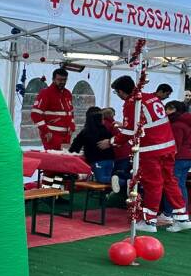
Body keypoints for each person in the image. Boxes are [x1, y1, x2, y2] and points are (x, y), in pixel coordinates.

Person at [108, 76, 191, 233]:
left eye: (116, 92)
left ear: (120, 91)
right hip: (168, 147)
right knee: (170, 182)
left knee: (153, 184)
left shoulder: (133, 103)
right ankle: (182, 217)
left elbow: (127, 132)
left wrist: (112, 141)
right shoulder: (151, 97)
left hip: (151, 150)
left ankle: (149, 222)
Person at [31, 68, 74, 150]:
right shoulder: (46, 93)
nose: (62, 82)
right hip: (51, 136)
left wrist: (72, 126)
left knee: (64, 160)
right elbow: (35, 114)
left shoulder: (67, 93)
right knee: (54, 160)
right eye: (59, 79)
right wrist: (45, 131)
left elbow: (71, 112)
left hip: (66, 136)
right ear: (53, 79)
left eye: (64, 80)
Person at [69, 106, 115, 183]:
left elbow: (74, 148)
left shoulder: (86, 132)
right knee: (108, 180)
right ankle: (123, 182)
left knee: (102, 179)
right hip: (110, 160)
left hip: (97, 161)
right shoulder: (105, 130)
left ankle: (126, 182)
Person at [163, 101, 191, 219]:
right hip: (186, 157)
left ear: (175, 109)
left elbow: (175, 145)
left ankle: (174, 213)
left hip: (179, 158)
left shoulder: (176, 125)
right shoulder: (186, 122)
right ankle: (180, 213)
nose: (165, 112)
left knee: (174, 185)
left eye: (168, 109)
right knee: (180, 184)